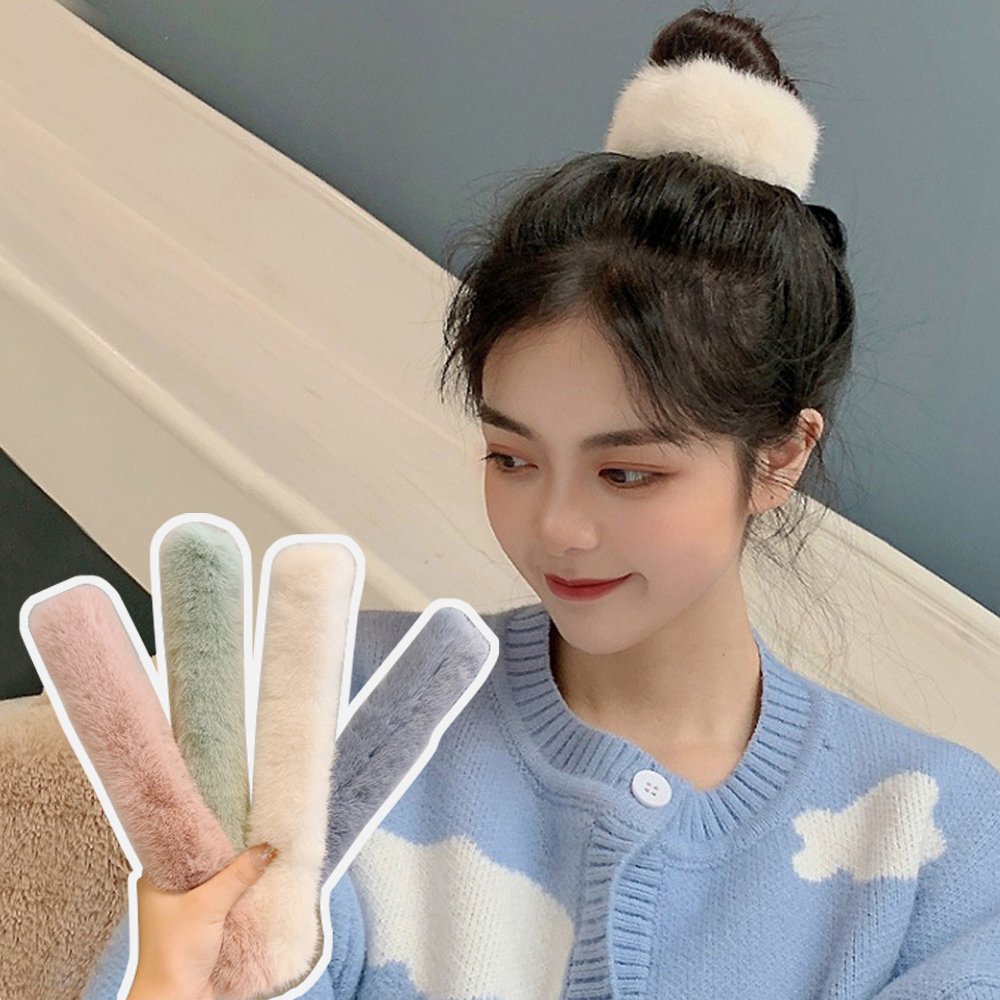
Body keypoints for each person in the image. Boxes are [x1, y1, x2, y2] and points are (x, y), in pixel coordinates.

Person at [83, 6, 1000, 999]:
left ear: (779, 458)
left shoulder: (934, 836)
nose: (555, 526)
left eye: (627, 472)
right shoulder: (335, 712)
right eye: (512, 457)